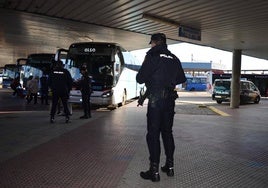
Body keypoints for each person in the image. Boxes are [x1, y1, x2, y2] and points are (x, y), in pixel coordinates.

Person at [136, 33, 186, 182]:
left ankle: (154, 171)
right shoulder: (174, 58)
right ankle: (169, 167)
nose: (150, 45)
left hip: (156, 101)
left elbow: (140, 78)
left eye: (151, 43)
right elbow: (182, 78)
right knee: (167, 132)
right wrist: (168, 81)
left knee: (153, 134)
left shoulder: (152, 56)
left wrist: (154, 79)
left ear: (155, 43)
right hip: (170, 100)